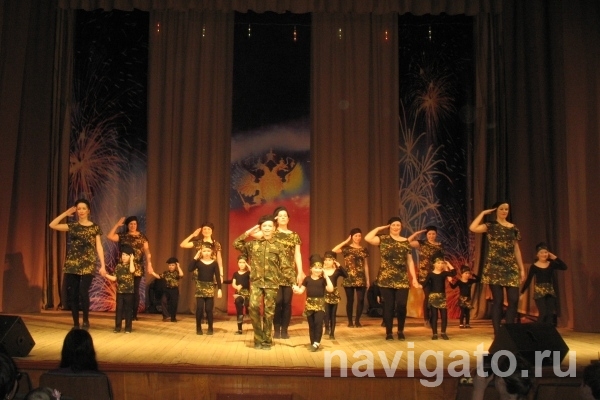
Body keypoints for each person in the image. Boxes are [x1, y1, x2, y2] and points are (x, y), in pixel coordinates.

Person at [469, 201, 525, 335]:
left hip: (510, 267)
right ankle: (498, 333)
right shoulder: (491, 226)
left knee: (513, 300)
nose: (504, 211)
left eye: (506, 209)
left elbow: (516, 249)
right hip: (494, 267)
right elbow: (473, 228)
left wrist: (521, 268)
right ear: (496, 211)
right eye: (501, 209)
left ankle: (509, 331)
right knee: (498, 300)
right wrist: (483, 213)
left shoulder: (513, 228)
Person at [49, 199, 106, 330]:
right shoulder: (73, 226)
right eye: (78, 208)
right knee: (73, 293)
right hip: (73, 264)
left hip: (88, 263)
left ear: (88, 211)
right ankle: (75, 323)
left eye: (83, 208)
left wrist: (103, 265)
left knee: (83, 291)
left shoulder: (94, 227)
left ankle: (85, 320)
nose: (81, 211)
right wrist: (65, 214)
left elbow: (99, 247)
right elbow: (52, 225)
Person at [251, 206, 304, 339]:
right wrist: (269, 221)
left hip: (288, 272)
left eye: (285, 215)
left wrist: (300, 271)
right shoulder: (271, 231)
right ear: (276, 218)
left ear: (288, 219)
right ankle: (275, 329)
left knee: (287, 303)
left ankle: (284, 330)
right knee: (276, 302)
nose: (283, 217)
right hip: (272, 273)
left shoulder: (294, 235)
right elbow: (253, 233)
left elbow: (297, 254)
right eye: (280, 216)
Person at [233, 215, 284, 350]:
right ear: (260, 228)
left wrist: (293, 283)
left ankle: (266, 340)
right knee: (253, 307)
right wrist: (249, 232)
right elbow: (236, 243)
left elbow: (286, 266)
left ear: (274, 228)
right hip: (256, 282)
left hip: (272, 283)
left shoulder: (279, 245)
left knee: (269, 312)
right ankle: (258, 337)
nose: (267, 228)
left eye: (269, 226)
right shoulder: (252, 245)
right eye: (264, 226)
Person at [365, 217, 419, 341]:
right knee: (388, 306)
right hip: (386, 279)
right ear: (389, 226)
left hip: (402, 278)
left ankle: (400, 330)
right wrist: (380, 228)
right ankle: (389, 332)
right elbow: (367, 238)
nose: (395, 227)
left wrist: (414, 278)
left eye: (398, 225)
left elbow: (410, 261)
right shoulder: (383, 239)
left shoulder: (405, 241)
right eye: (393, 225)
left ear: (401, 227)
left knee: (401, 305)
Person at [107, 216, 153, 321]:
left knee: (135, 291)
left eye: (135, 224)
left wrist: (149, 264)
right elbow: (110, 236)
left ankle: (133, 314)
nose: (133, 226)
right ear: (127, 225)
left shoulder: (142, 236)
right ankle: (123, 314)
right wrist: (117, 225)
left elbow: (147, 251)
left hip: (137, 267)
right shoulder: (123, 235)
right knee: (123, 290)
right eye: (131, 224)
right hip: (124, 267)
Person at [293, 254, 334, 352]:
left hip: (320, 305)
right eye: (315, 268)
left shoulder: (323, 280)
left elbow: (330, 289)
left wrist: (326, 276)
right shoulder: (307, 279)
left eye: (320, 268)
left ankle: (316, 343)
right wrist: (296, 289)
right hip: (309, 305)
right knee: (311, 325)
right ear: (311, 268)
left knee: (318, 323)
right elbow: (301, 291)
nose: (317, 270)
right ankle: (313, 343)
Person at [520, 242, 567, 325]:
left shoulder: (551, 264)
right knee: (543, 313)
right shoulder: (534, 266)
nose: (544, 254)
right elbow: (529, 280)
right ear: (537, 254)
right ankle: (538, 330)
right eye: (541, 252)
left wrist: (555, 258)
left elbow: (564, 267)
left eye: (545, 252)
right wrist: (522, 292)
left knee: (550, 314)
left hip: (550, 291)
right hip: (539, 291)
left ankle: (548, 331)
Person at [332, 228, 370, 328]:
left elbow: (366, 265)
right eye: (355, 236)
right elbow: (334, 250)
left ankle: (357, 320)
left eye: (359, 235)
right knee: (350, 300)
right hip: (348, 277)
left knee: (360, 299)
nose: (358, 238)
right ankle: (350, 321)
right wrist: (346, 241)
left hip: (360, 277)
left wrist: (368, 279)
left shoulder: (364, 249)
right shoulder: (346, 248)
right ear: (352, 236)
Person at [408, 225, 444, 327]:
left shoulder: (440, 245)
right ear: (426, 235)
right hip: (424, 275)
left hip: (436, 275)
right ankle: (426, 319)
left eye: (433, 234)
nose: (431, 236)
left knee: (435, 297)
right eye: (429, 234)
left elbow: (442, 260)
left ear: (436, 234)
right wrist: (415, 234)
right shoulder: (422, 243)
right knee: (428, 296)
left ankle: (434, 319)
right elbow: (406, 242)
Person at [189, 244, 222, 335]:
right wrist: (196, 257)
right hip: (200, 287)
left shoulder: (214, 263)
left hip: (210, 287)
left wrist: (220, 289)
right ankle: (198, 328)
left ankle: (210, 328)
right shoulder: (198, 262)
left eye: (208, 251)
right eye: (204, 251)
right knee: (199, 308)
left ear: (211, 252)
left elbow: (218, 276)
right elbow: (189, 269)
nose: (206, 253)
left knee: (208, 309)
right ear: (201, 252)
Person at [101, 244, 136, 333]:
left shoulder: (132, 265)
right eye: (123, 254)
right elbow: (114, 278)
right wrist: (105, 275)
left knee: (128, 310)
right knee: (119, 309)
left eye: (126, 255)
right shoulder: (118, 266)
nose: (124, 257)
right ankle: (117, 327)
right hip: (120, 291)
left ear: (131, 256)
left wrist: (132, 260)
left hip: (129, 292)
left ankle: (128, 328)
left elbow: (132, 270)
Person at [421, 252, 454, 340]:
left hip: (442, 297)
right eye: (438, 263)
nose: (440, 265)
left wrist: (448, 264)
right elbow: (425, 284)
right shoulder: (430, 274)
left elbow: (454, 273)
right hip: (433, 297)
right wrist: (418, 285)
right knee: (434, 316)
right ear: (434, 264)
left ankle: (443, 332)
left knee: (444, 316)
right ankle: (434, 333)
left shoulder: (444, 273)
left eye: (442, 263)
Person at [148, 257, 184, 322]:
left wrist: (179, 266)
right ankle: (166, 316)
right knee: (163, 301)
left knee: (174, 304)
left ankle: (173, 318)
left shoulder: (177, 272)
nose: (171, 267)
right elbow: (159, 276)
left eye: (173, 265)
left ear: (175, 266)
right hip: (167, 290)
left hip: (174, 290)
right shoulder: (166, 273)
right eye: (170, 265)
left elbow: (181, 274)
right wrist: (152, 272)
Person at [322, 250, 348, 340]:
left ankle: (332, 333)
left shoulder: (336, 271)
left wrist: (339, 265)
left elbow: (346, 275)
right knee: (326, 313)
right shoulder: (322, 271)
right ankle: (326, 328)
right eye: (326, 260)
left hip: (334, 294)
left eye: (329, 260)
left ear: (333, 261)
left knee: (333, 314)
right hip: (325, 293)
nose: (327, 262)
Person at [231, 254, 251, 335]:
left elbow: (253, 271)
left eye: (243, 262)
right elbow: (233, 283)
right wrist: (236, 287)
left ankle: (247, 310)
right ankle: (239, 329)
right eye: (240, 262)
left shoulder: (248, 273)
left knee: (249, 306)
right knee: (239, 308)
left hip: (247, 294)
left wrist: (247, 265)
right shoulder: (235, 273)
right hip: (238, 294)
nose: (241, 264)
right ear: (237, 263)